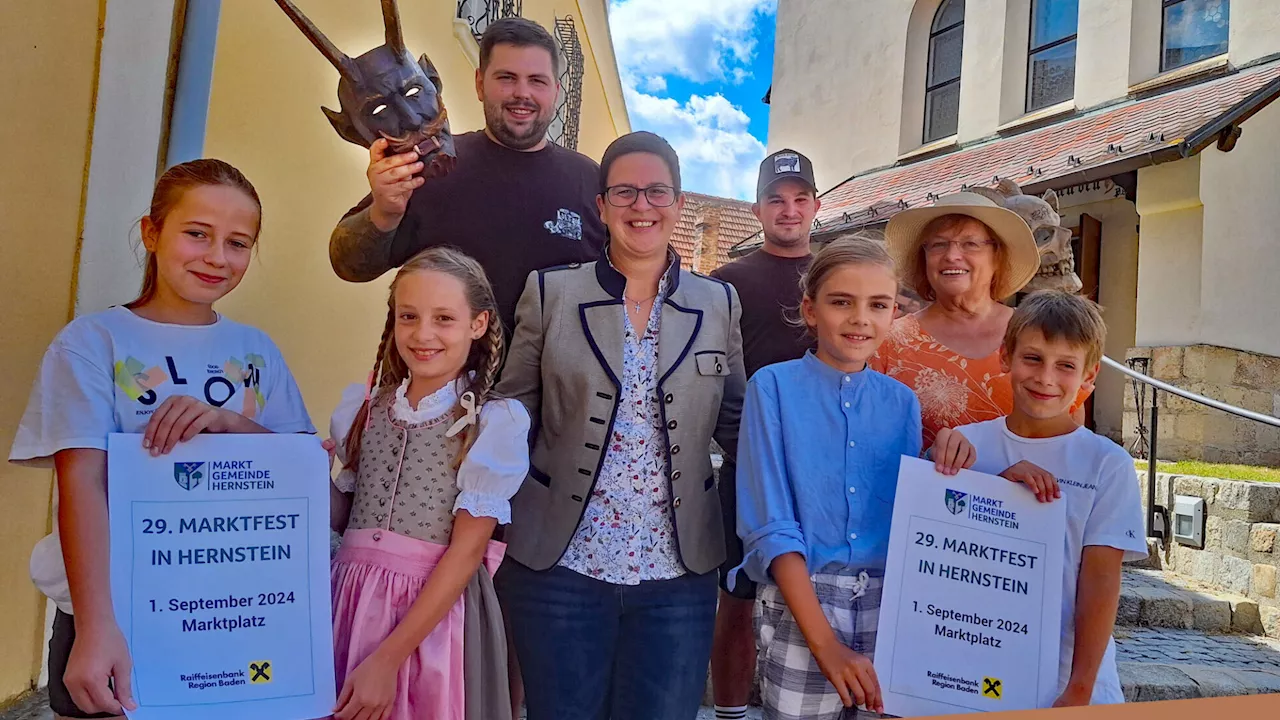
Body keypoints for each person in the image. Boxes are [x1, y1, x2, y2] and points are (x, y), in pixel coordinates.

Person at [8, 160, 315, 720]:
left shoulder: (256, 351)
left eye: (238, 243)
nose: (217, 257)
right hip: (113, 619)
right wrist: (96, 629)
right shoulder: (93, 343)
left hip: (234, 613)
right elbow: (81, 485)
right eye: (197, 233)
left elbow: (296, 476)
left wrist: (228, 423)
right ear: (152, 233)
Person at [494, 131, 746, 720]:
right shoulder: (551, 292)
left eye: (657, 191)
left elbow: (737, 425)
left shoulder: (719, 303)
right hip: (560, 566)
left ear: (679, 204)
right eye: (625, 192)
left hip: (678, 573)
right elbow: (511, 413)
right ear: (601, 206)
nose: (642, 205)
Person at [733, 236, 974, 720]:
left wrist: (957, 458)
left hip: (893, 604)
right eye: (841, 301)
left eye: (878, 304)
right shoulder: (772, 388)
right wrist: (824, 644)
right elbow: (771, 526)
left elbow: (907, 504)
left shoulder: (901, 402)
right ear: (810, 310)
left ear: (892, 315)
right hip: (802, 601)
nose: (860, 318)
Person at [325, 247, 531, 720]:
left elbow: (466, 553)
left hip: (432, 618)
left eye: (444, 318)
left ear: (477, 324)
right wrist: (304, 475)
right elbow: (346, 516)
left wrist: (388, 659)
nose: (423, 334)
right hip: (349, 602)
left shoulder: (492, 422)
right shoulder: (364, 409)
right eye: (409, 316)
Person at [328, 17, 606, 337]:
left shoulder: (590, 180)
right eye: (506, 77)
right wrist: (383, 212)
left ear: (556, 91)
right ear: (479, 83)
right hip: (444, 383)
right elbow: (348, 265)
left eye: (537, 81)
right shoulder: (429, 165)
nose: (522, 93)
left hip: (554, 385)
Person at [951, 290, 1147, 707]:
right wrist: (993, 488)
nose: (1045, 378)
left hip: (1068, 678)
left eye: (1066, 366)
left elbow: (1101, 579)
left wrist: (1079, 688)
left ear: (1089, 377)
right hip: (970, 666)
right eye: (1033, 358)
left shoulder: (1106, 463)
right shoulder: (966, 448)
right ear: (1005, 357)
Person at [706, 148, 820, 720]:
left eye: (800, 199)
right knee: (738, 596)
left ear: (816, 206)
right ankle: (729, 711)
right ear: (757, 209)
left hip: (826, 467)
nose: (789, 210)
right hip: (749, 464)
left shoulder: (836, 274)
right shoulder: (728, 282)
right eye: (777, 199)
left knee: (820, 592)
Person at [872, 192, 1089, 451]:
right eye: (938, 244)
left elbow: (1071, 443)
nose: (952, 255)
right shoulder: (888, 342)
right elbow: (872, 444)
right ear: (924, 257)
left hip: (1030, 490)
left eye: (970, 244)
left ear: (997, 255)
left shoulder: (1038, 333)